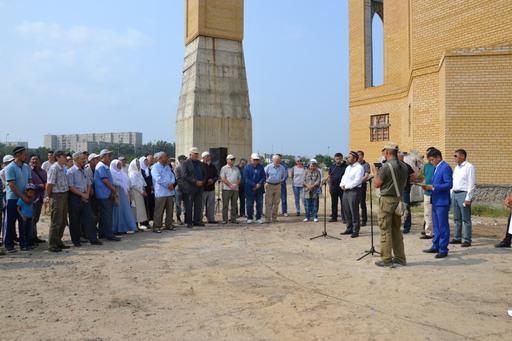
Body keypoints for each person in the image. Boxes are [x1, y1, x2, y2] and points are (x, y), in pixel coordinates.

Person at [370, 143, 409, 267]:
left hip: (387, 200)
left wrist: (375, 172)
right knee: (396, 230)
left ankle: (386, 259)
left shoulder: (386, 167)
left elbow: (377, 184)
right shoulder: (404, 166)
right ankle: (400, 258)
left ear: (387, 152)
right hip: (399, 200)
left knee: (385, 230)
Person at [422, 148, 453, 259]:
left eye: (432, 160)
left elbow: (449, 184)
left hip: (442, 202)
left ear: (438, 157)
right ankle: (436, 245)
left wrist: (433, 187)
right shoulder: (437, 167)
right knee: (436, 225)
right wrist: (428, 186)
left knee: (443, 226)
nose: (431, 162)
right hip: (435, 200)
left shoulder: (445, 167)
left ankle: (443, 249)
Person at [67, 152, 102, 246]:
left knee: (90, 218)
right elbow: (71, 187)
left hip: (85, 197)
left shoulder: (85, 170)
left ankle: (93, 238)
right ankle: (76, 241)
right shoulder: (71, 171)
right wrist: (82, 195)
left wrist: (86, 194)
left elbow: (89, 183)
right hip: (75, 197)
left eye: (84, 158)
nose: (84, 160)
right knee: (75, 220)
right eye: (82, 159)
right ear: (76, 159)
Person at [4, 146, 32, 253]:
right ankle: (9, 245)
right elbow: (12, 185)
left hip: (25, 199)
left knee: (24, 222)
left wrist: (29, 195)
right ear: (18, 155)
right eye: (24, 154)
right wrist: (23, 197)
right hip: (13, 199)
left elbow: (29, 181)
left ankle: (24, 244)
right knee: (11, 222)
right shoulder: (10, 168)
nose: (26, 156)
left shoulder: (26, 167)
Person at [93, 149, 121, 242]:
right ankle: (109, 234)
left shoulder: (104, 166)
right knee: (107, 215)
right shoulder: (101, 166)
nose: (110, 157)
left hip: (105, 194)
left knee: (104, 216)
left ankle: (102, 233)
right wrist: (114, 190)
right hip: (103, 194)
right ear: (103, 156)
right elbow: (105, 180)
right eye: (108, 155)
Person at [450, 149, 476, 247]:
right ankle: (457, 238)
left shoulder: (469, 167)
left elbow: (471, 183)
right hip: (455, 194)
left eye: (455, 156)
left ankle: (467, 239)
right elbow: (454, 182)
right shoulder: (457, 167)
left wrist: (468, 198)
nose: (454, 158)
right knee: (456, 218)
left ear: (463, 156)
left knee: (466, 219)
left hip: (463, 194)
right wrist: (451, 193)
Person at [46, 150, 70, 252]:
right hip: (57, 196)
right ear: (58, 157)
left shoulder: (63, 168)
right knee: (56, 221)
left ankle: (58, 241)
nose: (66, 158)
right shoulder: (54, 168)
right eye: (64, 156)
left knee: (63, 220)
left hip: (64, 194)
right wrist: (50, 196)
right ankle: (52, 244)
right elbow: (49, 184)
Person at [340, 151, 365, 238]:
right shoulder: (348, 168)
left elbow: (357, 181)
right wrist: (342, 185)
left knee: (354, 211)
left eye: (349, 157)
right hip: (345, 190)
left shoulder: (359, 168)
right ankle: (349, 228)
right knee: (346, 210)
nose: (347, 158)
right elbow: (344, 177)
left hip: (354, 191)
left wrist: (346, 186)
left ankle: (355, 230)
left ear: (354, 158)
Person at [151, 152, 176, 233]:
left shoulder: (167, 167)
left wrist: (172, 183)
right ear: (160, 158)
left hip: (170, 192)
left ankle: (168, 225)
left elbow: (172, 176)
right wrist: (168, 185)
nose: (167, 158)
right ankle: (156, 226)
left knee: (170, 210)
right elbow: (158, 179)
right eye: (166, 157)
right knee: (159, 210)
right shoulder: (155, 167)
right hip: (161, 193)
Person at [181, 147, 206, 227]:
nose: (196, 155)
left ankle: (197, 221)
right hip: (190, 188)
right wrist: (195, 182)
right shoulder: (185, 163)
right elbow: (184, 175)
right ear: (190, 154)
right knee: (189, 206)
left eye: (197, 154)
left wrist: (202, 181)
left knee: (198, 206)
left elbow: (205, 174)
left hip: (199, 188)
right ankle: (189, 222)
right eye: (195, 154)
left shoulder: (200, 163)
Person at [110, 159, 137, 234]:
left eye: (119, 165)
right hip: (116, 194)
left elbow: (127, 184)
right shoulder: (111, 173)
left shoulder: (122, 173)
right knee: (117, 212)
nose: (119, 166)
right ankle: (116, 229)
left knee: (124, 211)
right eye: (117, 165)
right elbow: (112, 185)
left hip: (123, 195)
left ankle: (124, 228)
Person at [29, 155, 47, 245]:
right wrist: (39, 186)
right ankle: (30, 238)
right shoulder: (28, 171)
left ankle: (34, 236)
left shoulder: (43, 172)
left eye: (36, 159)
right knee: (31, 219)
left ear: (40, 161)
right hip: (31, 198)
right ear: (30, 161)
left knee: (36, 219)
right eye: (33, 159)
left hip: (40, 198)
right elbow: (28, 184)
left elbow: (46, 184)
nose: (34, 161)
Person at [244, 153, 266, 224]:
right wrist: (254, 185)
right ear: (251, 159)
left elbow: (263, 177)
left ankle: (258, 218)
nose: (256, 161)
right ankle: (249, 217)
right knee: (249, 204)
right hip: (250, 189)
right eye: (254, 159)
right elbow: (246, 178)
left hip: (259, 189)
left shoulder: (261, 167)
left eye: (257, 159)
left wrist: (259, 183)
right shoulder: (247, 167)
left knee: (259, 204)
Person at [264, 155, 286, 223]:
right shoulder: (268, 167)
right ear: (273, 160)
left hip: (278, 186)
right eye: (276, 160)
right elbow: (264, 175)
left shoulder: (282, 168)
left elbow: (284, 176)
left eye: (279, 160)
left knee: (276, 203)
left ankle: (274, 218)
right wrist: (266, 182)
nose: (278, 162)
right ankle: (267, 219)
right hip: (269, 186)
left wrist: (280, 181)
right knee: (268, 203)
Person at [128, 158, 148, 230]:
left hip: (139, 194)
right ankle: (134, 226)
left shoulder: (138, 173)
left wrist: (143, 191)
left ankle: (137, 225)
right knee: (135, 210)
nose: (138, 165)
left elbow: (142, 183)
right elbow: (133, 185)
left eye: (139, 164)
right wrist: (142, 191)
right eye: (137, 164)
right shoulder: (132, 173)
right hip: (135, 193)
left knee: (139, 210)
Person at [220, 154, 241, 224]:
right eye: (231, 159)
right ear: (227, 160)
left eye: (233, 159)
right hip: (226, 189)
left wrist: (236, 184)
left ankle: (233, 219)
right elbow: (223, 178)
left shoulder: (236, 169)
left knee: (234, 205)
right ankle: (224, 219)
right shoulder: (224, 168)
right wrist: (230, 185)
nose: (233, 161)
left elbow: (239, 178)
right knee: (225, 205)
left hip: (235, 189)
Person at [327, 153, 347, 223]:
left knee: (343, 203)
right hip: (334, 187)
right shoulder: (332, 167)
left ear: (342, 158)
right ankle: (334, 217)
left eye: (339, 159)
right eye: (337, 159)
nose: (338, 160)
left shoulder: (346, 167)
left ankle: (344, 218)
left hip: (342, 188)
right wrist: (329, 186)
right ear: (334, 159)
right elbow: (329, 176)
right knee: (334, 203)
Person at [398, 152, 416, 234]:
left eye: (400, 156)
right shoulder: (395, 166)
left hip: (405, 190)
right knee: (397, 209)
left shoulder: (407, 166)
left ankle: (407, 226)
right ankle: (397, 226)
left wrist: (409, 183)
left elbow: (413, 176)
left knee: (406, 208)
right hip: (396, 191)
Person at [420, 150, 435, 239]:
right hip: (427, 193)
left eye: (429, 155)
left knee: (435, 214)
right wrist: (423, 184)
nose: (427, 157)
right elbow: (424, 177)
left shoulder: (437, 166)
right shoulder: (426, 166)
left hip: (435, 192)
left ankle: (434, 231)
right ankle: (429, 232)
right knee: (427, 213)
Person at [16, 185, 37, 251]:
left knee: (29, 232)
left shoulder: (32, 200)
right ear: (26, 192)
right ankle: (23, 246)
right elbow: (18, 209)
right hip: (23, 218)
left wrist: (33, 215)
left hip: (30, 218)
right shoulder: (21, 199)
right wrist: (22, 216)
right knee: (23, 232)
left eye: (32, 192)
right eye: (30, 192)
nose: (31, 194)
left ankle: (27, 245)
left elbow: (32, 208)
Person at [201, 151, 219, 224]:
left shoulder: (213, 166)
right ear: (204, 157)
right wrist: (206, 181)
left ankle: (211, 219)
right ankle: (199, 219)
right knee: (201, 205)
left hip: (211, 188)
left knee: (211, 205)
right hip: (203, 189)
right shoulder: (200, 165)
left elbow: (217, 175)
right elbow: (199, 176)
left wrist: (213, 180)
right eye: (207, 156)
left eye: (209, 156)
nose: (209, 157)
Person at [140, 154, 155, 224]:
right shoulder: (141, 170)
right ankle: (144, 222)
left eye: (147, 161)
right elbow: (143, 180)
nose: (147, 162)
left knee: (149, 206)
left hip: (150, 190)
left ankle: (148, 220)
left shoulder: (148, 169)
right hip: (144, 190)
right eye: (145, 161)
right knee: (145, 206)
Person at [357, 151, 371, 226]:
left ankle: (364, 220)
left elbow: (366, 176)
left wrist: (357, 181)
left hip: (362, 186)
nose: (358, 156)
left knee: (362, 203)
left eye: (359, 155)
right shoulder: (355, 165)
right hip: (355, 187)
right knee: (355, 203)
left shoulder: (366, 164)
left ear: (363, 156)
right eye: (357, 155)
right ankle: (356, 219)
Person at [174, 155, 187, 224]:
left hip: (186, 189)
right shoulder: (177, 168)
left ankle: (186, 218)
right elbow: (177, 179)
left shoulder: (187, 167)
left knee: (186, 204)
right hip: (179, 188)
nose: (185, 160)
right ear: (180, 160)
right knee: (178, 204)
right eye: (184, 159)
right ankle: (178, 218)